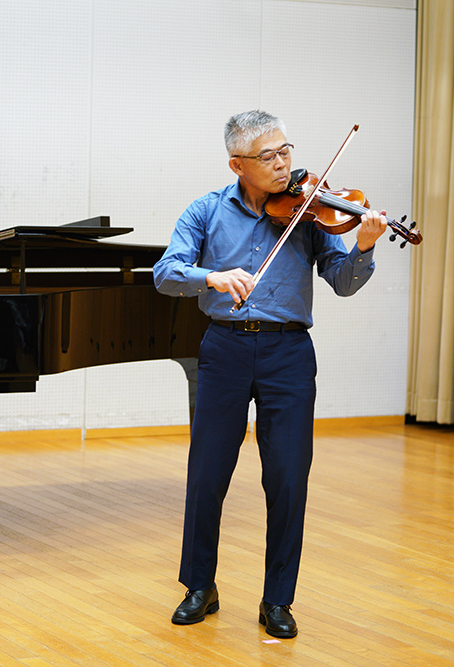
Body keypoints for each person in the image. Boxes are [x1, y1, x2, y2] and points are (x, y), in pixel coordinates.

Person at [153, 110, 387, 638]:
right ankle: (199, 586)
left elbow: (343, 282)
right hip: (225, 349)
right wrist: (211, 276)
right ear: (237, 164)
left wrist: (365, 246)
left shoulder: (311, 211)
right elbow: (165, 273)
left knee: (287, 476)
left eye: (286, 151)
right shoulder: (206, 210)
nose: (283, 164)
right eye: (268, 156)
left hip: (289, 354)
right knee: (207, 472)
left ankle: (278, 599)